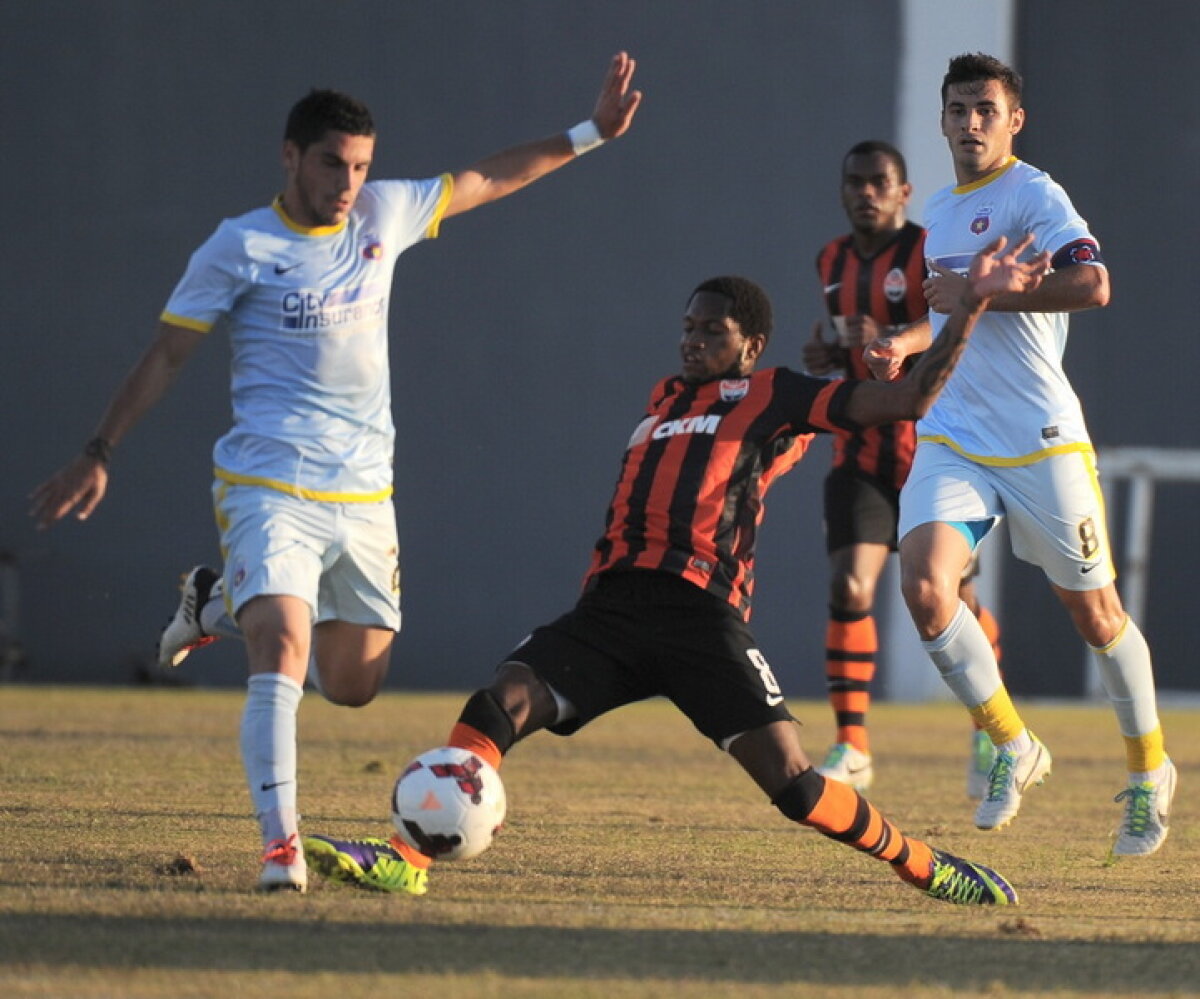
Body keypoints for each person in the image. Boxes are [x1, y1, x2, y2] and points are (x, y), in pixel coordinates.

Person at [28, 53, 644, 892]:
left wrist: (590, 134)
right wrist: (99, 451)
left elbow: (487, 178)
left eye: (360, 165)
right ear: (291, 157)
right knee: (282, 647)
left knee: (353, 683)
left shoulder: (384, 213)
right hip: (268, 486)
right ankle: (279, 848)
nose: (348, 182)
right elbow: (167, 354)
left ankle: (214, 601)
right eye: (332, 163)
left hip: (363, 495)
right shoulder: (240, 244)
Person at [301, 236, 1050, 905]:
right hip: (610, 610)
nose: (692, 340)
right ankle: (407, 857)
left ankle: (926, 865)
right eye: (688, 327)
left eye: (712, 330)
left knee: (794, 784)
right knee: (500, 701)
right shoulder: (662, 398)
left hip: (699, 614)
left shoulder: (775, 395)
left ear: (751, 344)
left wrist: (969, 307)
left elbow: (909, 397)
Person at [864, 52, 1176, 854]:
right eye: (958, 109)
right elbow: (952, 316)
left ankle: (1150, 769)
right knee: (924, 587)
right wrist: (903, 342)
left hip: (1040, 439)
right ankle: (1012, 742)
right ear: (941, 119)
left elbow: (1094, 284)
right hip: (954, 433)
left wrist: (989, 290)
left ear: (1014, 121)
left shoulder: (1034, 194)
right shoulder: (938, 210)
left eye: (986, 109)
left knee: (1096, 615)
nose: (971, 123)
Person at [802, 140, 1003, 796]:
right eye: (855, 182)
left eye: (879, 181)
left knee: (955, 600)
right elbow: (847, 344)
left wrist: (896, 344)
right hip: (859, 453)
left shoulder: (929, 251)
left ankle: (990, 730)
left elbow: (956, 330)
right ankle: (852, 744)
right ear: (842, 190)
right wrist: (827, 353)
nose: (866, 192)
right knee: (850, 586)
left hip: (933, 454)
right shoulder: (830, 259)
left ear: (903, 191)